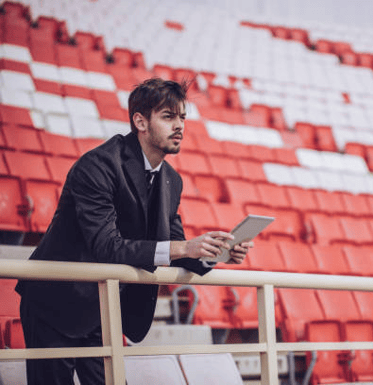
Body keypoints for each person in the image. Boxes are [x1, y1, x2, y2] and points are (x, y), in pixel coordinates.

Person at [15, 78, 253, 385]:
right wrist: (182, 248)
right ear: (140, 121)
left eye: (182, 117)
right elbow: (106, 246)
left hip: (101, 308)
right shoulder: (97, 165)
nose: (179, 125)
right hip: (55, 301)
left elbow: (176, 243)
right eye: (168, 117)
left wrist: (217, 253)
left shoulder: (171, 179)